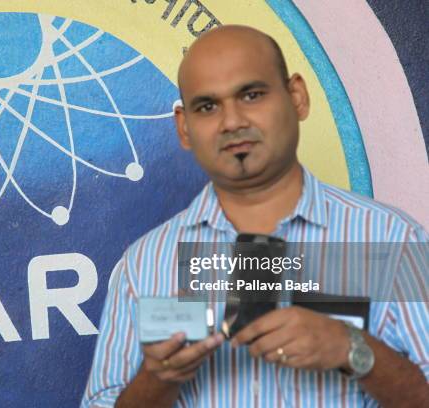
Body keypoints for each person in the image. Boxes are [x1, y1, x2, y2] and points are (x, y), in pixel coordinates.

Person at [81, 25, 428, 407]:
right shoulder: (144, 267)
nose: (232, 122)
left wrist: (356, 351)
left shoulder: (393, 241)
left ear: (296, 96)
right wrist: (158, 378)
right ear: (184, 127)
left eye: (251, 94)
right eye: (208, 106)